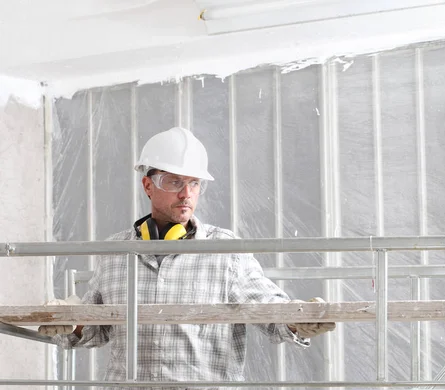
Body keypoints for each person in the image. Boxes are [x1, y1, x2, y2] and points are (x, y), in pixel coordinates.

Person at [39, 126, 336, 389]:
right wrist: (69, 321)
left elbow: (270, 311)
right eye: (174, 182)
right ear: (147, 185)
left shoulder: (225, 252)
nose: (186, 194)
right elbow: (96, 330)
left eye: (194, 183)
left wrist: (301, 319)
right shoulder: (116, 252)